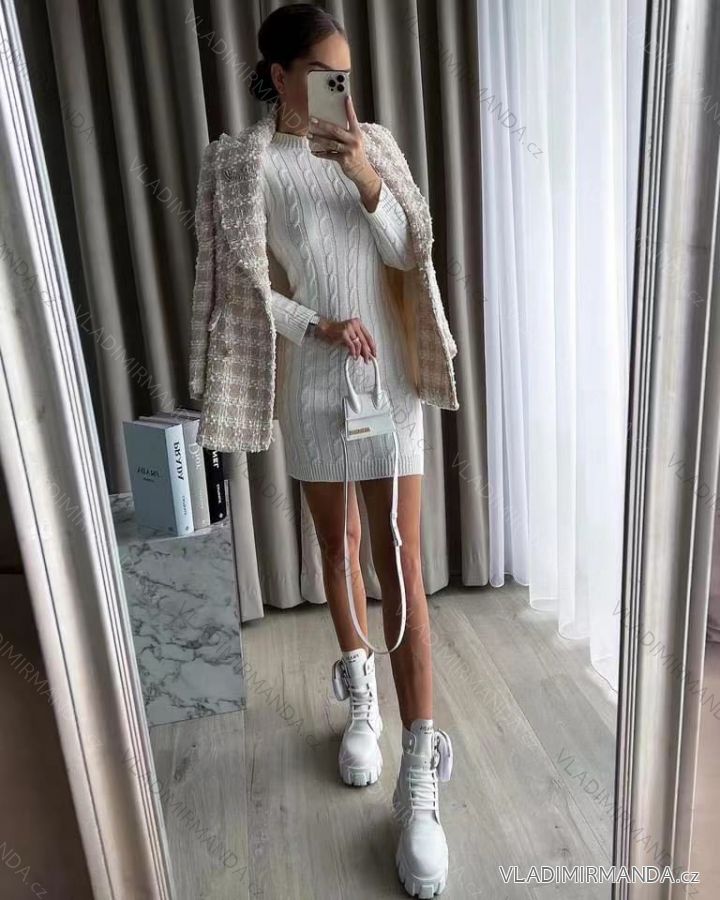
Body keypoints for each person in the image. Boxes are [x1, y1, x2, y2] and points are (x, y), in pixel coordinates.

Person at [247, 5, 458, 896]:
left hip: (389, 391)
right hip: (317, 387)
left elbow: (412, 252)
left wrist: (364, 172)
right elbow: (246, 290)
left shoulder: (379, 146)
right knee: (337, 549)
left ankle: (420, 776)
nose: (342, 88)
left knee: (401, 564)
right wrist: (316, 325)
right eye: (324, 73)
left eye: (347, 72)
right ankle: (361, 702)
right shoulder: (250, 166)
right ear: (280, 75)